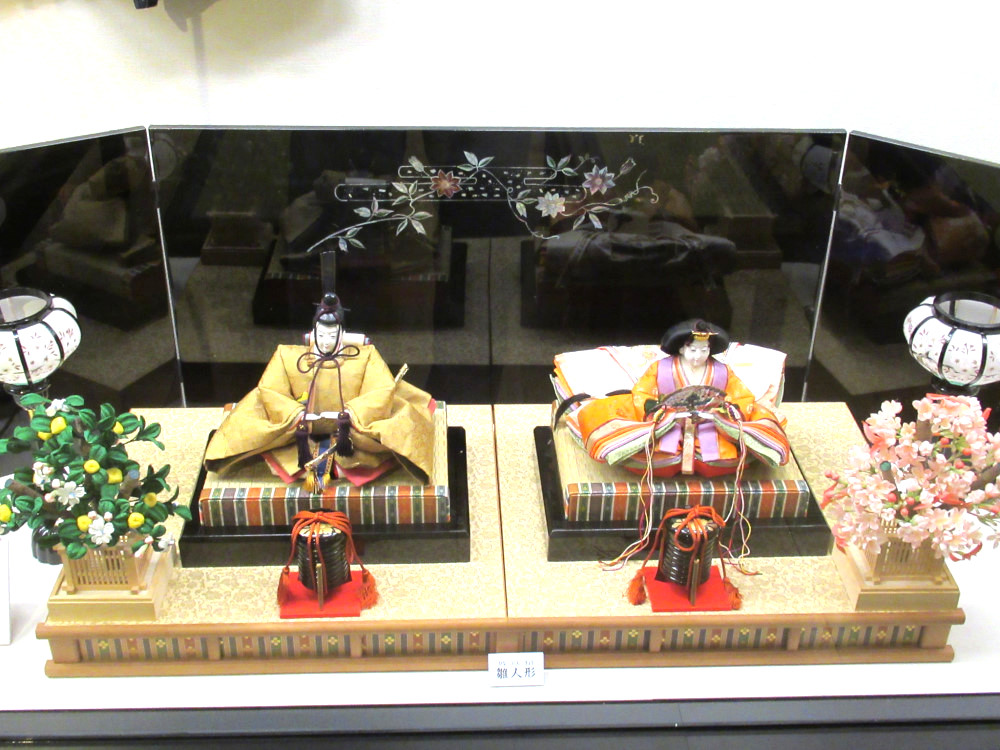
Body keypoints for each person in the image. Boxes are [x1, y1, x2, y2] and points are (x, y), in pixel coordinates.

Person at [204, 293, 435, 487]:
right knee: (250, 421)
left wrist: (351, 414)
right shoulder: (287, 356)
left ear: (342, 334)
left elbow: (381, 388)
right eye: (321, 335)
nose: (325, 342)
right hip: (296, 435)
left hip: (352, 436)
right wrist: (296, 414)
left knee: (399, 423)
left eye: (332, 336)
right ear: (313, 333)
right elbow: (270, 389)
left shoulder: (365, 357)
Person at [575, 320, 790, 477]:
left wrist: (726, 410)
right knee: (609, 417)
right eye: (693, 350)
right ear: (681, 348)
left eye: (704, 350)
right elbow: (642, 393)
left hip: (713, 427)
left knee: (753, 432)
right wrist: (658, 410)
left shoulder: (723, 372)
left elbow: (743, 397)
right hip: (666, 425)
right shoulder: (661, 368)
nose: (698, 356)